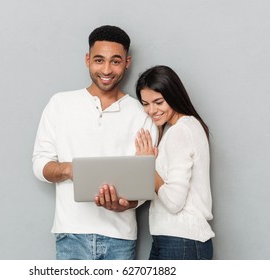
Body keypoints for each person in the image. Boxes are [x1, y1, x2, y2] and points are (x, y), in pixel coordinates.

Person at [32, 25, 157, 260]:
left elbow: (145, 178)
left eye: (115, 61)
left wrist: (127, 203)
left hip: (120, 237)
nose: (107, 69)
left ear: (127, 62)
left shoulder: (141, 113)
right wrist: (70, 169)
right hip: (71, 235)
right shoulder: (60, 104)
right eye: (99, 60)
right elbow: (40, 163)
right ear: (87, 59)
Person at [134, 65, 215, 260]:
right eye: (145, 103)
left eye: (158, 102)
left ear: (173, 94)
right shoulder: (187, 127)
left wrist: (147, 165)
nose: (151, 110)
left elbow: (173, 202)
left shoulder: (180, 131)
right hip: (174, 239)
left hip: (181, 240)